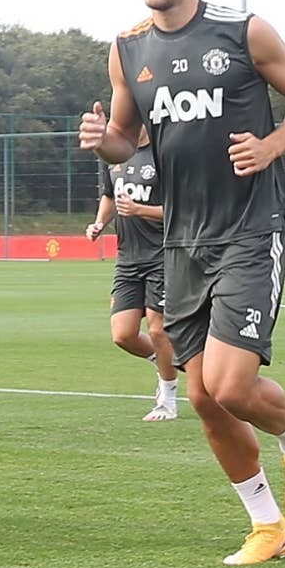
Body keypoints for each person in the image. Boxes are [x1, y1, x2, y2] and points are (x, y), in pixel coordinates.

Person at [79, 0, 285, 565]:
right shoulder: (127, 48)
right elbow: (125, 139)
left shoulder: (242, 31)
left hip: (249, 226)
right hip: (180, 240)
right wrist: (101, 141)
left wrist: (269, 146)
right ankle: (268, 526)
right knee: (201, 396)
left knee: (231, 387)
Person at [85, 125, 179, 421]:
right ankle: (164, 360)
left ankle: (168, 399)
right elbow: (109, 195)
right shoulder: (114, 156)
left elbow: (182, 209)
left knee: (157, 329)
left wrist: (139, 210)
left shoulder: (163, 154)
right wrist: (99, 223)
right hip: (128, 258)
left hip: (162, 254)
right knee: (123, 334)